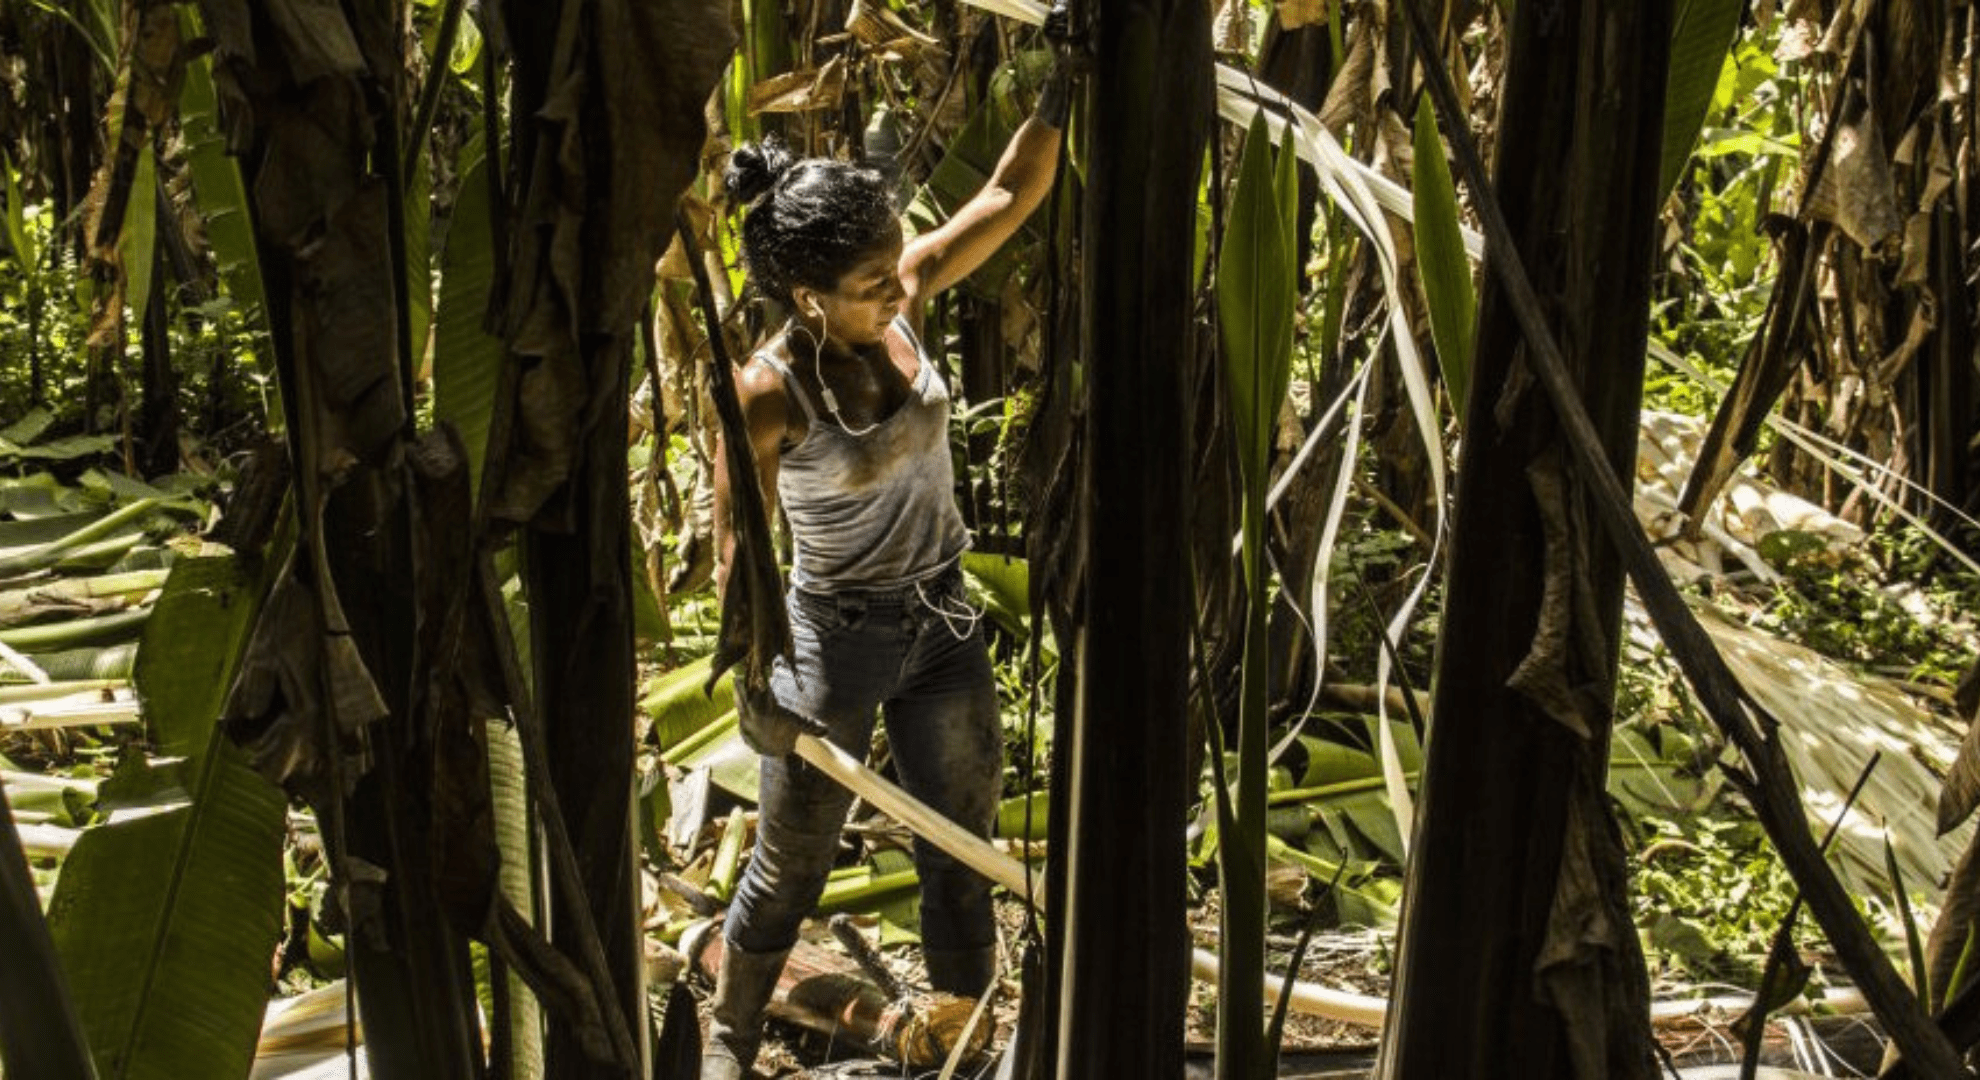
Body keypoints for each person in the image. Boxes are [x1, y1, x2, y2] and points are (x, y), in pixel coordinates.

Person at [703, 58, 1072, 1080]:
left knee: (960, 845)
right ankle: (730, 1034)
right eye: (868, 286)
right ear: (805, 297)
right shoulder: (770, 391)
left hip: (944, 629)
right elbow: (744, 546)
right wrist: (755, 682)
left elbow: (1009, 191)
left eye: (894, 268)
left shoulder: (896, 293)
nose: (893, 288)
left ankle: (954, 1035)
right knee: (792, 863)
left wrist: (1059, 90)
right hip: (836, 641)